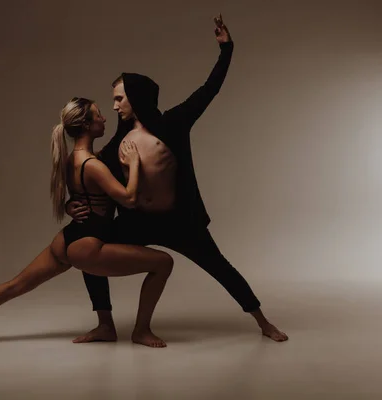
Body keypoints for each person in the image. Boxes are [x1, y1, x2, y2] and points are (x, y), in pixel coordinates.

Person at [67, 15, 288, 343]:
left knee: (220, 267)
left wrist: (226, 49)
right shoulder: (115, 145)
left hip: (178, 221)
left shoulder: (174, 123)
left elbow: (208, 90)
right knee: (89, 251)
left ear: (137, 97)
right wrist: (72, 204)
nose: (114, 106)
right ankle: (105, 323)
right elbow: (89, 179)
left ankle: (263, 322)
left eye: (119, 98)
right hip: (137, 222)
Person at [0, 97, 174, 348]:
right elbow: (129, 199)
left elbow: (79, 196)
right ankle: (141, 330)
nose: (104, 118)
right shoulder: (93, 165)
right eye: (98, 115)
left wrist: (68, 206)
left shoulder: (71, 159)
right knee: (163, 263)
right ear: (86, 125)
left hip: (69, 239)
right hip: (88, 245)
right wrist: (135, 163)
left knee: (14, 286)